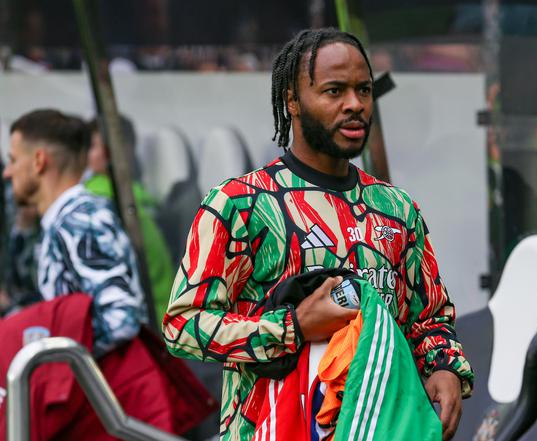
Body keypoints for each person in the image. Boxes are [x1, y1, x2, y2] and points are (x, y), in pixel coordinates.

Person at [163, 28, 473, 440]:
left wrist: (445, 367)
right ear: (292, 101)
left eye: (364, 90)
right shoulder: (240, 204)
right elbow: (182, 326)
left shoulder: (397, 209)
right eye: (334, 91)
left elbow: (429, 317)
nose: (355, 104)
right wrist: (292, 327)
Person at [2, 109, 146, 356]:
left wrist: (50, 357)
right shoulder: (63, 221)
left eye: (13, 160)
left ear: (39, 161)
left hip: (99, 380)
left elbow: (122, 320)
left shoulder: (80, 222)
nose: (7, 172)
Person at [84, 116, 175, 325]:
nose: (91, 153)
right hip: (166, 312)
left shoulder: (98, 198)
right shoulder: (138, 197)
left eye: (95, 146)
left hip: (149, 320)